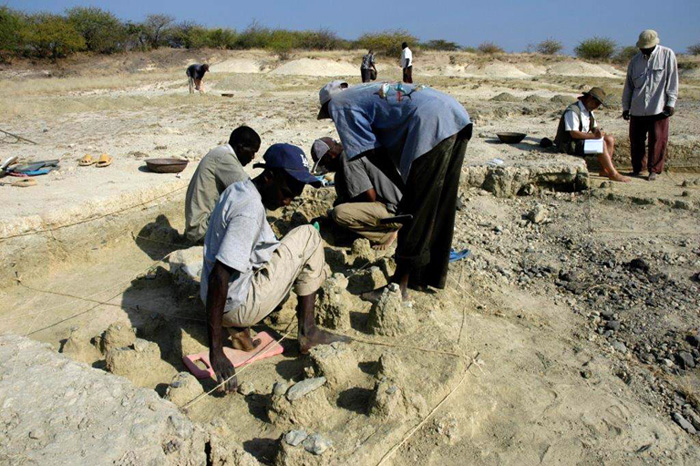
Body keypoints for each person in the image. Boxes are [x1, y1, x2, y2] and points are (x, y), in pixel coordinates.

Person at [201, 143, 348, 392]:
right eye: (286, 192)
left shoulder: (239, 189)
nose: (289, 201)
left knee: (278, 247)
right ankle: (308, 331)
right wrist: (215, 351)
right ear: (269, 177)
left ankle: (240, 323)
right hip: (235, 305)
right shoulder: (250, 211)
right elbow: (219, 276)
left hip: (215, 300)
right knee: (308, 236)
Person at [317, 81, 472, 301]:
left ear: (327, 107)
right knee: (439, 203)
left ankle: (398, 288)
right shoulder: (363, 92)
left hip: (430, 122)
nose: (334, 121)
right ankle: (428, 275)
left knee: (415, 211)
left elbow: (372, 153)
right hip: (454, 113)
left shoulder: (340, 105)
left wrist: (403, 187)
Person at [310, 137, 404, 249]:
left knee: (340, 213)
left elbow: (369, 197)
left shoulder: (348, 159)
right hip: (399, 206)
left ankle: (386, 235)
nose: (326, 169)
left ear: (330, 156)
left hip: (395, 212)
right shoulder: (353, 149)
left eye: (324, 164)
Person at [185, 126, 261, 243]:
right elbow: (248, 190)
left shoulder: (221, 152)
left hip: (198, 225)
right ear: (240, 148)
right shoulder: (224, 157)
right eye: (252, 152)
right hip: (201, 230)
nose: (252, 157)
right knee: (246, 209)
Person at [622, 30, 678, 181]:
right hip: (637, 108)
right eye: (642, 47)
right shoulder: (635, 61)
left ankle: (654, 170)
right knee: (636, 140)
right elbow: (629, 86)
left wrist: (671, 103)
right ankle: (638, 168)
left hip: (658, 107)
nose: (644, 49)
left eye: (647, 47)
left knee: (658, 140)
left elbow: (672, 80)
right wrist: (626, 107)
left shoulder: (667, 55)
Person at [554, 87, 630, 182]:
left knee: (609, 139)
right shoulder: (573, 111)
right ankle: (613, 173)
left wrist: (598, 132)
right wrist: (594, 137)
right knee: (600, 144)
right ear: (590, 98)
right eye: (596, 103)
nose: (597, 106)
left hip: (579, 142)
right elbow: (574, 133)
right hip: (569, 145)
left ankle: (604, 170)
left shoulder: (589, 110)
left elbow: (593, 127)